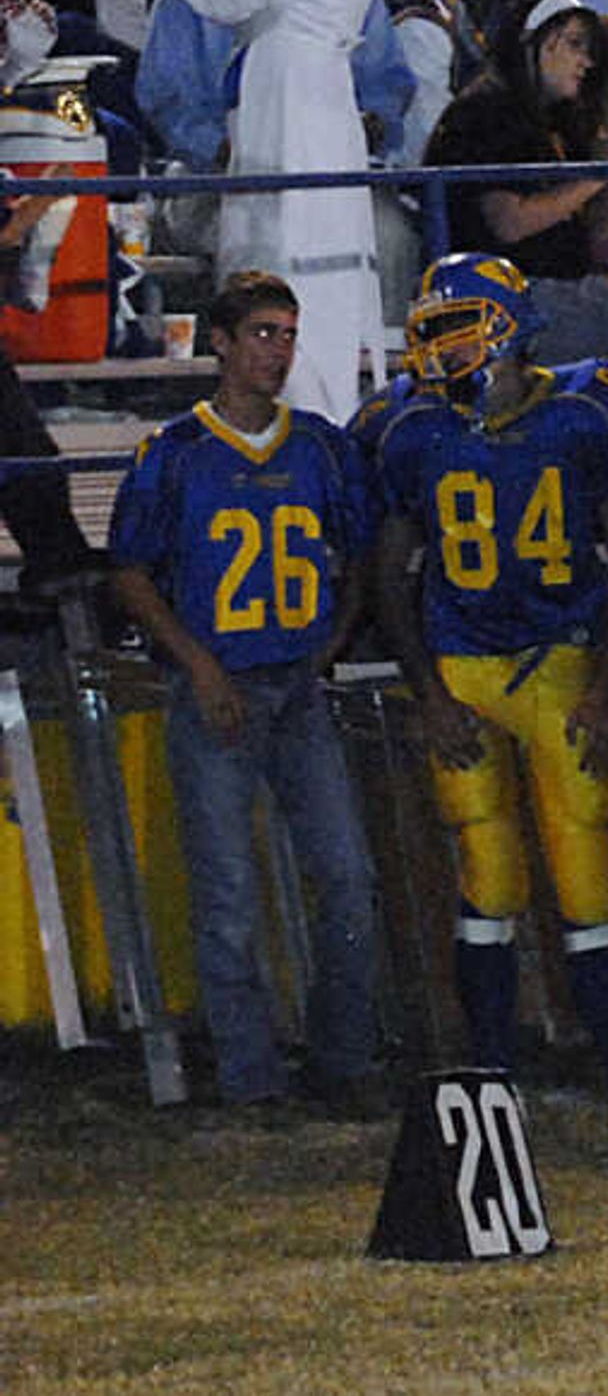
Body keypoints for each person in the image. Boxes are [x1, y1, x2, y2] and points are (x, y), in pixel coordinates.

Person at [362, 256, 608, 1124]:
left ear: (505, 326)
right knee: (489, 877)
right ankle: (492, 1078)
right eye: (430, 325)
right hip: (463, 666)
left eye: (454, 322)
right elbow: (390, 570)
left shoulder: (584, 409)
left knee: (586, 878)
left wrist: (604, 689)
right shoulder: (410, 426)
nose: (435, 343)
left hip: (559, 661)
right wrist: (427, 694)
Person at [105, 274, 389, 1113]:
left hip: (295, 687)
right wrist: (198, 665)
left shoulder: (323, 448)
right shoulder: (175, 453)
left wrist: (327, 647)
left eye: (288, 335)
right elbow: (128, 570)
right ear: (220, 342)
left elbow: (364, 556)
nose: (278, 351)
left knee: (348, 877)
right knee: (227, 891)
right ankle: (251, 1078)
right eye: (262, 333)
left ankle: (344, 1058)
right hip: (217, 690)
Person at [139, 0, 388, 417]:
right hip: (315, 94)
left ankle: (287, 424)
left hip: (288, 98)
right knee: (308, 263)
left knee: (283, 252)